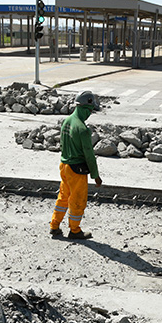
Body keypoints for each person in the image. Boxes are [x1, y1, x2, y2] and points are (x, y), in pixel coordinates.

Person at [50, 90, 102, 240]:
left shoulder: (66, 121)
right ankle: (74, 230)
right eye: (91, 111)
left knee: (63, 197)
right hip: (76, 170)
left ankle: (54, 226)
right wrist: (96, 175)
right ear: (86, 108)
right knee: (77, 200)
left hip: (64, 166)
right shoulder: (82, 129)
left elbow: (62, 144)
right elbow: (89, 155)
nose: (90, 114)